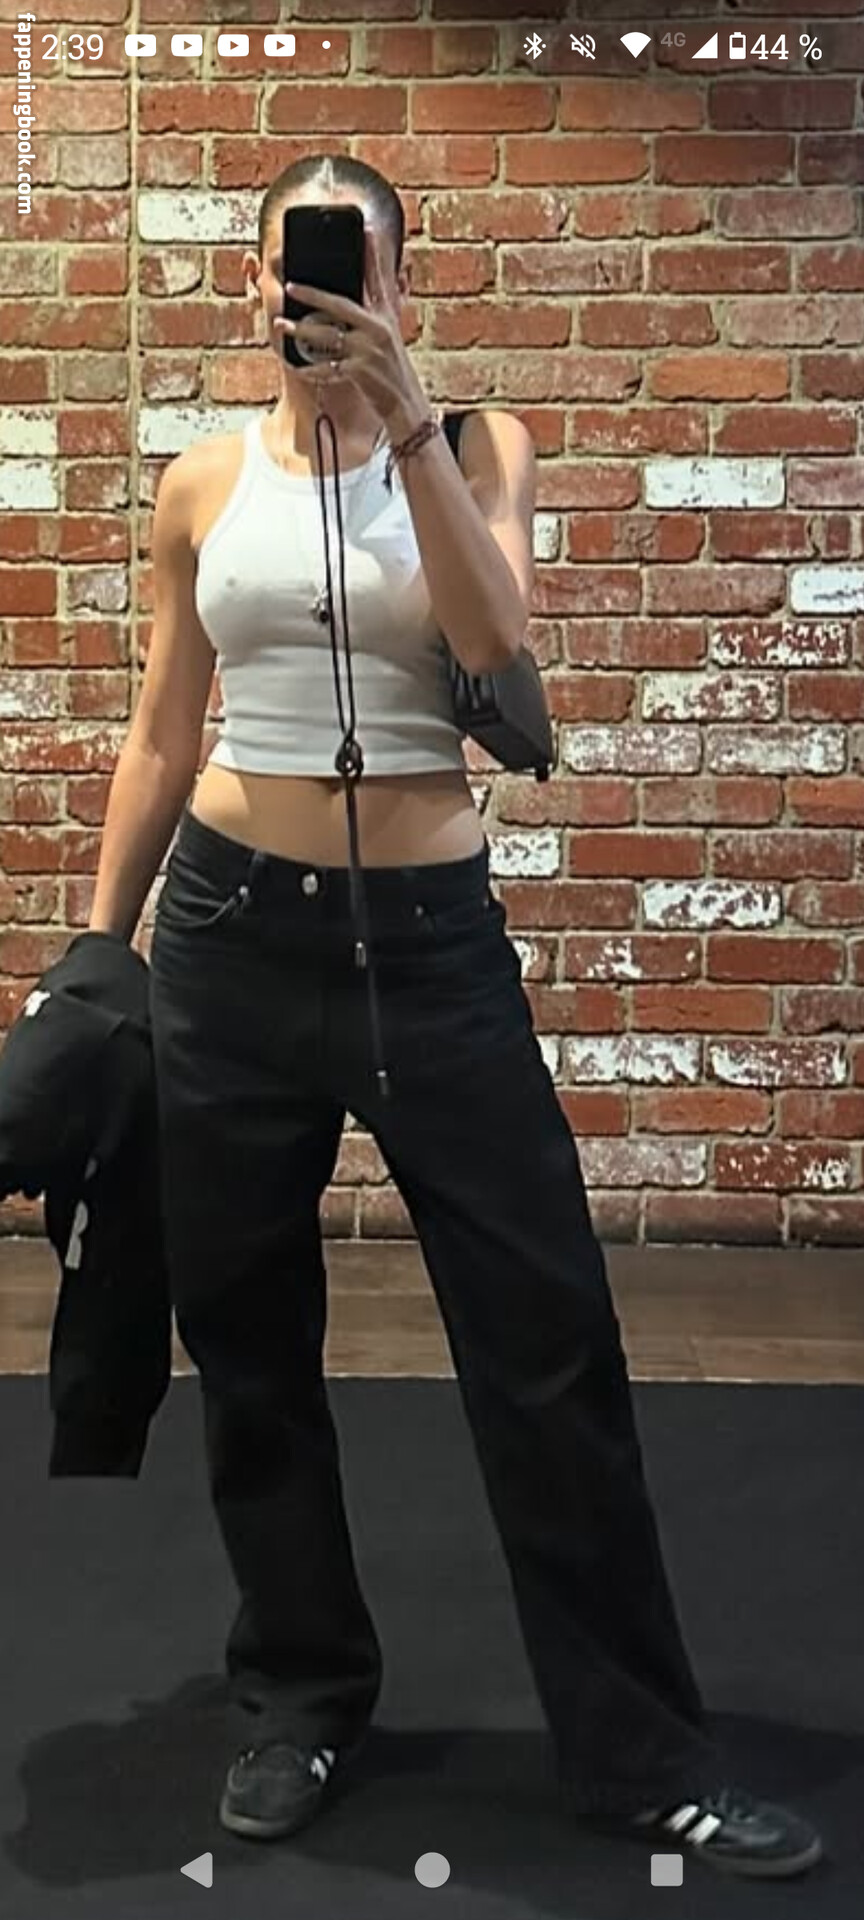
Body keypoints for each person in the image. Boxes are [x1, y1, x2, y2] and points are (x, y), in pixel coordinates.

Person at [88, 153, 822, 1880]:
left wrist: (407, 419)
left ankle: (641, 1755)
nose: (322, 295)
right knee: (250, 1346)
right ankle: (300, 1696)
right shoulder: (202, 484)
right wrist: (93, 953)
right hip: (230, 941)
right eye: (297, 267)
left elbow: (497, 641)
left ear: (404, 282)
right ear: (254, 284)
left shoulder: (482, 449)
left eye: (356, 267)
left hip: (428, 946)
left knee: (546, 1340)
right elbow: (165, 729)